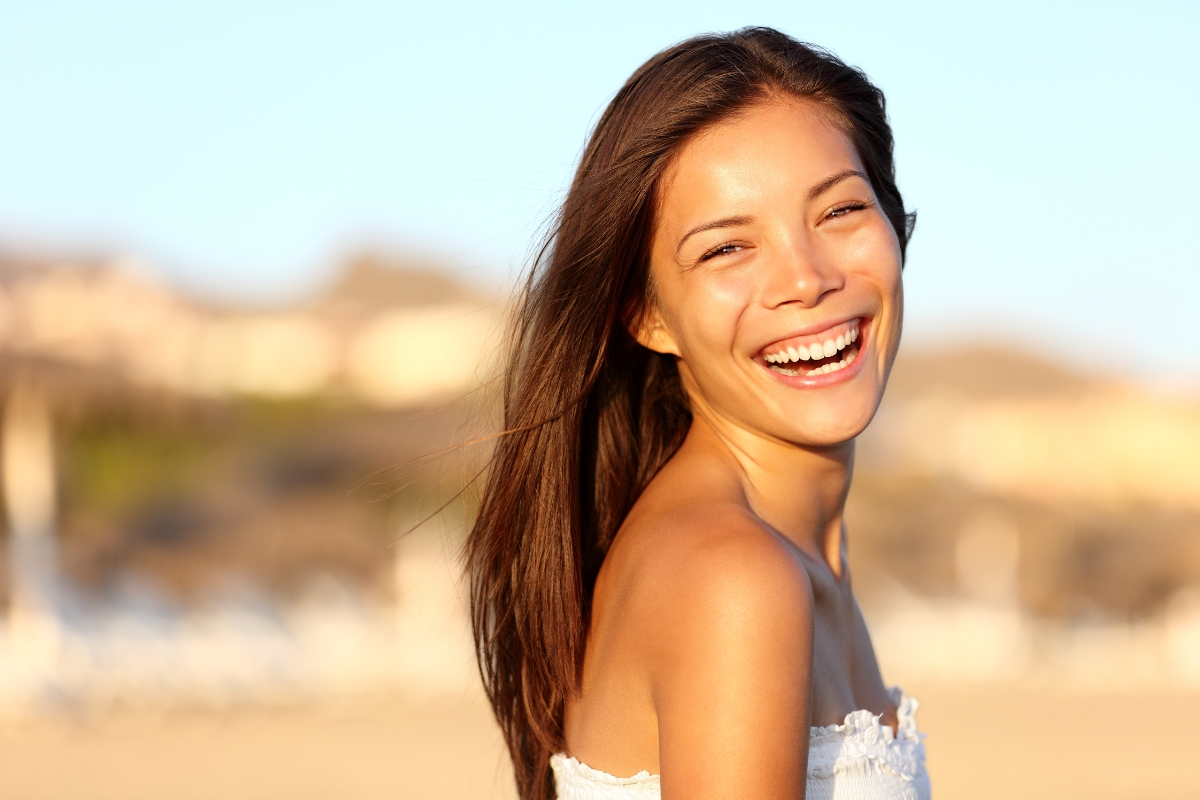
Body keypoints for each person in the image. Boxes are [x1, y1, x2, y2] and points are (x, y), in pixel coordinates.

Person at [466, 27, 928, 800]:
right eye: (726, 249)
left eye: (840, 209)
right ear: (647, 315)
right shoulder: (735, 578)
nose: (806, 279)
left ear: (895, 222)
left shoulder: (795, 555)